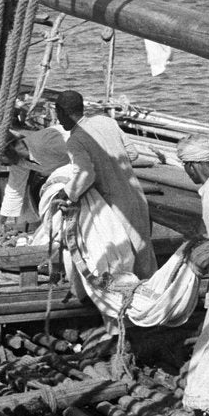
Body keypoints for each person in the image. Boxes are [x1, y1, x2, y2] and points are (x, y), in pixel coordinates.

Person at [55, 90, 156, 277]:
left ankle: (127, 298)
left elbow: (85, 175)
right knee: (144, 253)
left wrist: (66, 194)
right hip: (136, 197)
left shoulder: (75, 140)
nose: (58, 120)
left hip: (113, 206)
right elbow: (132, 154)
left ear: (61, 112)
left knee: (121, 257)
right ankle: (152, 293)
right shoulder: (107, 121)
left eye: (58, 114)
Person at [0, 125, 69, 235]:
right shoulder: (19, 161)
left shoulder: (45, 142)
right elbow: (15, 187)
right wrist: (2, 219)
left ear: (8, 151)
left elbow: (80, 153)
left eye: (0, 160)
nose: (2, 165)